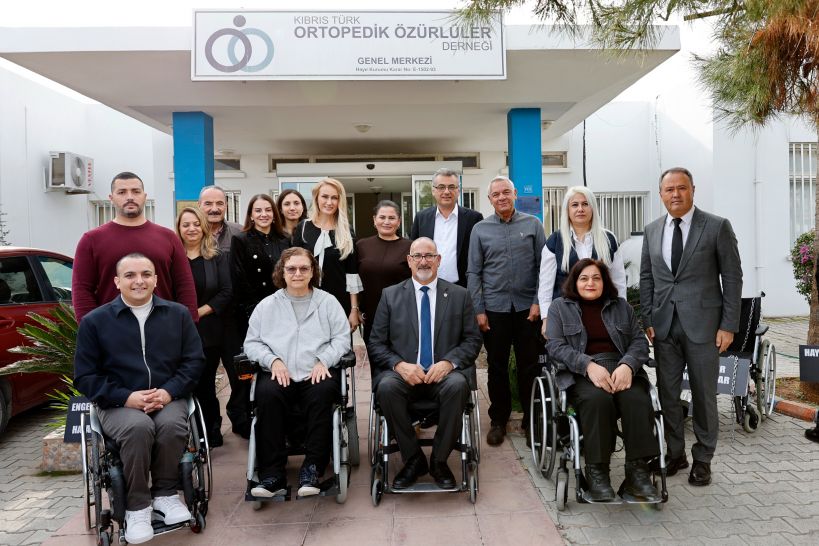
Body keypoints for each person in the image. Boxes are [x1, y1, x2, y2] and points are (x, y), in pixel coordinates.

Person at [74, 253, 204, 544]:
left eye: (146, 274)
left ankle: (166, 495)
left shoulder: (178, 315)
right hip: (118, 402)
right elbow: (85, 376)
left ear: (156, 280)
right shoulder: (95, 322)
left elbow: (194, 361)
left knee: (171, 426)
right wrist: (126, 397)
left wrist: (169, 391)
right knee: (138, 427)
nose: (139, 281)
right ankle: (137, 508)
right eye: (130, 275)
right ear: (117, 281)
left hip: (167, 396)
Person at [640, 167, 742, 486]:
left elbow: (732, 277)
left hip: (704, 327)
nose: (675, 194)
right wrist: (647, 319)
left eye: (681, 188)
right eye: (669, 189)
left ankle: (703, 459)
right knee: (668, 394)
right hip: (664, 328)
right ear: (661, 194)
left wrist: (728, 325)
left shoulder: (716, 226)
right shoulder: (652, 230)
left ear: (693, 190)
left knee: (703, 395)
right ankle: (675, 454)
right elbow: (647, 278)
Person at [368, 238, 482, 489]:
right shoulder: (390, 295)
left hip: (443, 376)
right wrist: (399, 365)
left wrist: (449, 362)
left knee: (458, 385)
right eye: (417, 256)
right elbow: (376, 343)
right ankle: (413, 460)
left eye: (429, 256)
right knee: (386, 387)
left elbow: (473, 340)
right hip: (404, 375)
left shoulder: (459, 295)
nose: (423, 261)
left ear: (438, 260)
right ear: (409, 261)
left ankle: (439, 461)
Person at [547, 258, 659, 502]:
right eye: (584, 278)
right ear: (574, 282)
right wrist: (587, 365)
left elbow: (639, 342)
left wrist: (628, 365)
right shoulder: (559, 307)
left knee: (637, 400)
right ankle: (597, 473)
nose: (590, 283)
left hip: (621, 369)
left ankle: (638, 474)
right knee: (597, 400)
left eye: (596, 278)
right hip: (581, 373)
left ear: (604, 282)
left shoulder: (621, 307)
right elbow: (555, 346)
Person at [243, 248, 351, 497]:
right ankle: (272, 475)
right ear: (282, 272)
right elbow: (252, 343)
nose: (298, 274)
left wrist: (324, 360)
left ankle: (312, 469)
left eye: (304, 268)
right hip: (279, 372)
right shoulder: (267, 306)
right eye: (291, 269)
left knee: (323, 392)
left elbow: (342, 339)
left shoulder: (327, 302)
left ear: (313, 272)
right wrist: (272, 361)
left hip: (316, 371)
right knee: (267, 395)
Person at [467, 176, 547, 447]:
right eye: (496, 194)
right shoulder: (480, 229)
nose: (501, 197)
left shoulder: (533, 225)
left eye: (506, 192)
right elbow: (473, 272)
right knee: (497, 366)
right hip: (494, 309)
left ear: (515, 194)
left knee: (529, 366)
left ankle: (531, 421)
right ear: (489, 199)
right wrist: (479, 309)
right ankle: (498, 420)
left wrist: (538, 302)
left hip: (528, 309)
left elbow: (544, 268)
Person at [72, 172, 198, 322]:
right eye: (122, 192)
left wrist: (187, 325)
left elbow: (185, 286)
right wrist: (91, 328)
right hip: (112, 330)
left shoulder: (169, 238)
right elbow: (82, 290)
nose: (130, 197)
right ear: (111, 198)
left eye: (136, 191)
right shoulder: (91, 240)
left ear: (144, 196)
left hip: (163, 328)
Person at [229, 194, 291, 438]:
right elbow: (238, 278)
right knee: (251, 365)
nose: (264, 214)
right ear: (251, 215)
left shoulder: (284, 239)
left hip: (283, 311)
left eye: (268, 210)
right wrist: (255, 311)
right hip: (251, 311)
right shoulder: (241, 240)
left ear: (274, 214)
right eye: (258, 210)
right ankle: (244, 418)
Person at [175, 207, 232, 448]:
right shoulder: (172, 259)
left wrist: (198, 312)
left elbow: (226, 291)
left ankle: (211, 430)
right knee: (185, 383)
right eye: (186, 224)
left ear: (204, 227)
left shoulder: (216, 257)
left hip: (208, 330)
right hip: (178, 331)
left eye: (196, 224)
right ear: (179, 229)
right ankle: (186, 431)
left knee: (206, 383)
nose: (192, 229)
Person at [538, 186, 626, 335]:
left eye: (585, 204)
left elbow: (619, 282)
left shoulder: (609, 239)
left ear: (593, 208)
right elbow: (546, 286)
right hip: (565, 317)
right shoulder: (555, 241)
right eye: (575, 205)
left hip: (603, 315)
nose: (580, 209)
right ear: (567, 210)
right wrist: (546, 319)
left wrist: (622, 313)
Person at [292, 178, 363, 330]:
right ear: (316, 198)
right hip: (306, 301)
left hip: (339, 302)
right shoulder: (303, 228)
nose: (329, 202)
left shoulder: (347, 231)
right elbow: (292, 267)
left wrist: (353, 310)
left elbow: (352, 274)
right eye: (325, 196)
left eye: (334, 198)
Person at [410, 168, 483, 287]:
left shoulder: (474, 218)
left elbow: (480, 255)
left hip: (463, 287)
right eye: (441, 187)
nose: (447, 191)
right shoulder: (421, 218)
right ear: (433, 191)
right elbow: (413, 251)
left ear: (458, 190)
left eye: (451, 187)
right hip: (428, 286)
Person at [356, 200, 412, 343]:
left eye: (392, 218)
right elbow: (354, 281)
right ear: (374, 220)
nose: (386, 222)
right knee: (374, 353)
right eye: (382, 217)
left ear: (399, 221)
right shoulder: (361, 246)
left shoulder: (410, 247)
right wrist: (356, 308)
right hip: (370, 315)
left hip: (402, 315)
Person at [198, 185, 243, 253]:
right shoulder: (190, 234)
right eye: (208, 204)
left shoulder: (240, 232)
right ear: (199, 205)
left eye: (219, 203)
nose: (214, 209)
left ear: (226, 206)